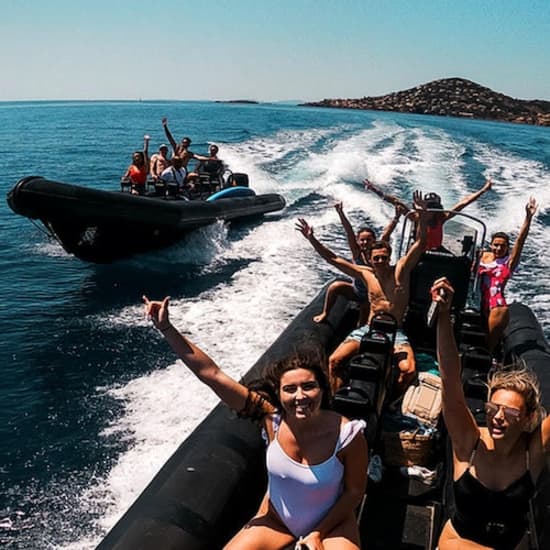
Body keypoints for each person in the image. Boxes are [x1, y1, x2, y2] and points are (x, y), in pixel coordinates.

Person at [142, 295, 368, 550]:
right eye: (290, 389)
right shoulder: (271, 420)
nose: (300, 396)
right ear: (280, 394)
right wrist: (166, 328)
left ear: (322, 390)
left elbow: (354, 492)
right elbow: (212, 375)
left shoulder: (347, 434)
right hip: (277, 521)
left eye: (309, 387)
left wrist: (317, 532)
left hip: (332, 526)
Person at [431, 277, 550, 550]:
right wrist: (443, 316)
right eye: (493, 409)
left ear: (528, 418)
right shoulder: (468, 442)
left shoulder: (534, 452)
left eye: (509, 412)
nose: (497, 417)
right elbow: (450, 379)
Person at [295, 207, 428, 395]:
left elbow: (421, 243)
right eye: (377, 258)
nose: (380, 261)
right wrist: (311, 238)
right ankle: (336, 400)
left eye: (384, 257)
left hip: (395, 333)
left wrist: (421, 217)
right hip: (369, 329)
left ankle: (392, 399)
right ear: (371, 260)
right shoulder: (366, 275)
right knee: (334, 361)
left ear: (389, 257)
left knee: (409, 371)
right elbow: (332, 258)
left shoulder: (401, 271)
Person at [313, 202, 405, 325]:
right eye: (362, 240)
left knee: (362, 320)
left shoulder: (377, 254)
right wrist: (341, 213)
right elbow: (349, 232)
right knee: (335, 287)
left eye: (369, 239)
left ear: (374, 240)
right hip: (357, 291)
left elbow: (386, 234)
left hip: (371, 296)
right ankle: (325, 313)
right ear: (358, 241)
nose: (365, 242)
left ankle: (360, 329)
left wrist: (396, 218)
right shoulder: (357, 252)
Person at [364, 178, 493, 249]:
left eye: (434, 206)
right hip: (417, 251)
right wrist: (375, 190)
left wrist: (484, 190)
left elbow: (464, 202)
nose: (432, 209)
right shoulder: (416, 217)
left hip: (437, 250)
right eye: (429, 206)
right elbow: (395, 201)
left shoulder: (442, 217)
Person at [478, 197, 537, 352]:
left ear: (507, 248)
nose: (498, 249)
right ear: (490, 245)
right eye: (496, 245)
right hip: (479, 302)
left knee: (488, 346)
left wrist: (528, 217)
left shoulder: (508, 263)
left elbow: (520, 240)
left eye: (502, 246)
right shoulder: (482, 256)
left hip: (496, 306)